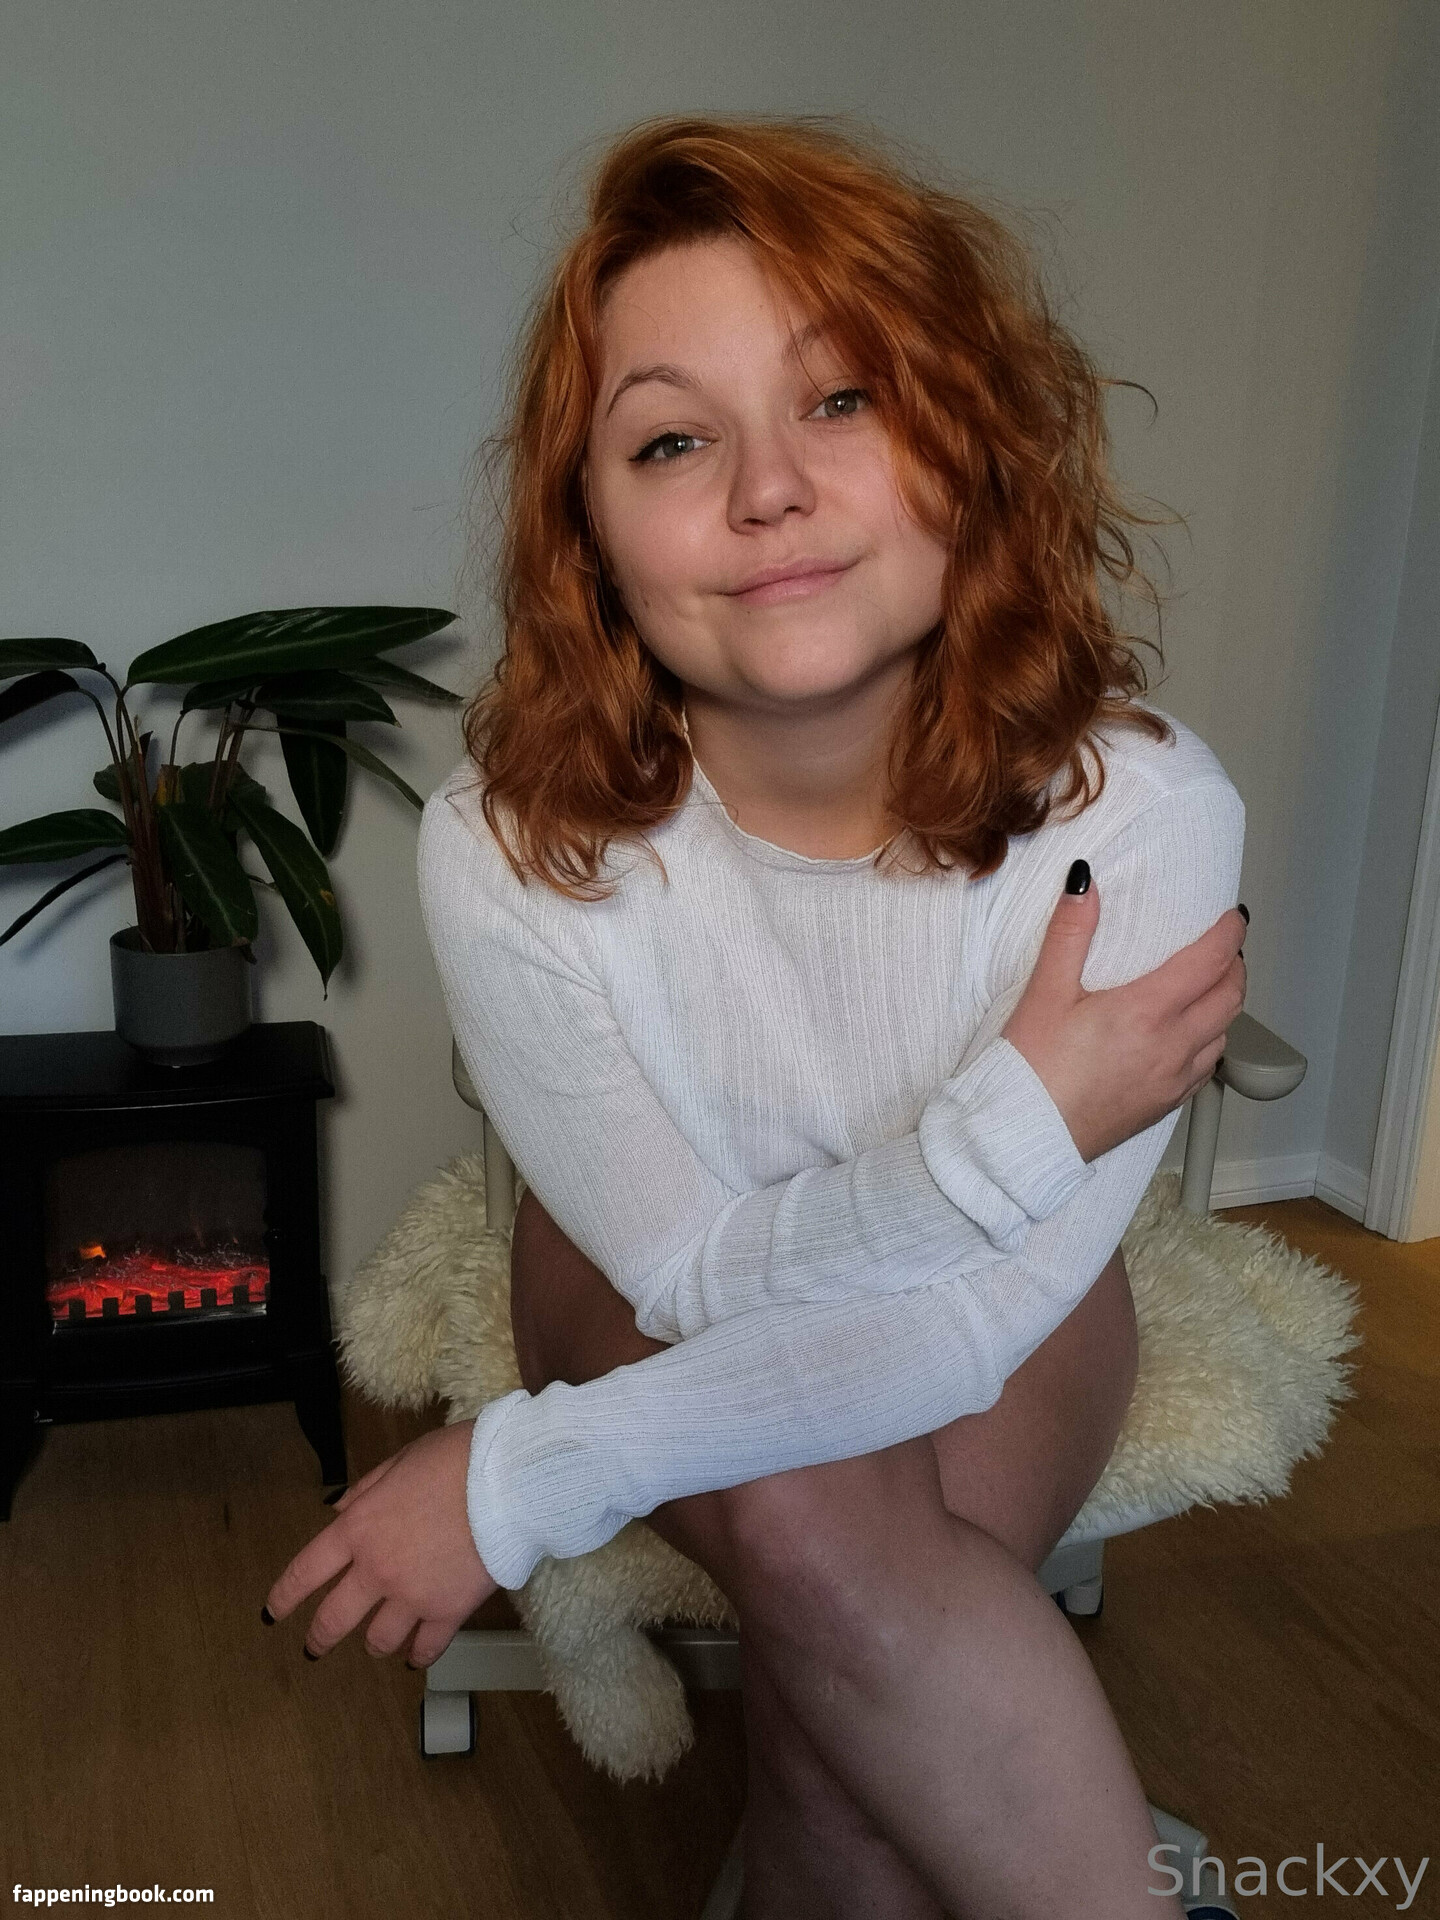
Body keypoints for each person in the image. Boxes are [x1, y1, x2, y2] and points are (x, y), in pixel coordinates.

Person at [265, 115, 1249, 1919]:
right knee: (829, 1552)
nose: (767, 490)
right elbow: (696, 1277)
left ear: (970, 440)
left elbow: (966, 1319)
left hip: (1005, 1305)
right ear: (591, 529)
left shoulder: (1142, 821)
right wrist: (1014, 1130)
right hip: (628, 1278)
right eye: (671, 438)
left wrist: (526, 1475)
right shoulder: (514, 841)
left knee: (835, 1679)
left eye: (843, 400)